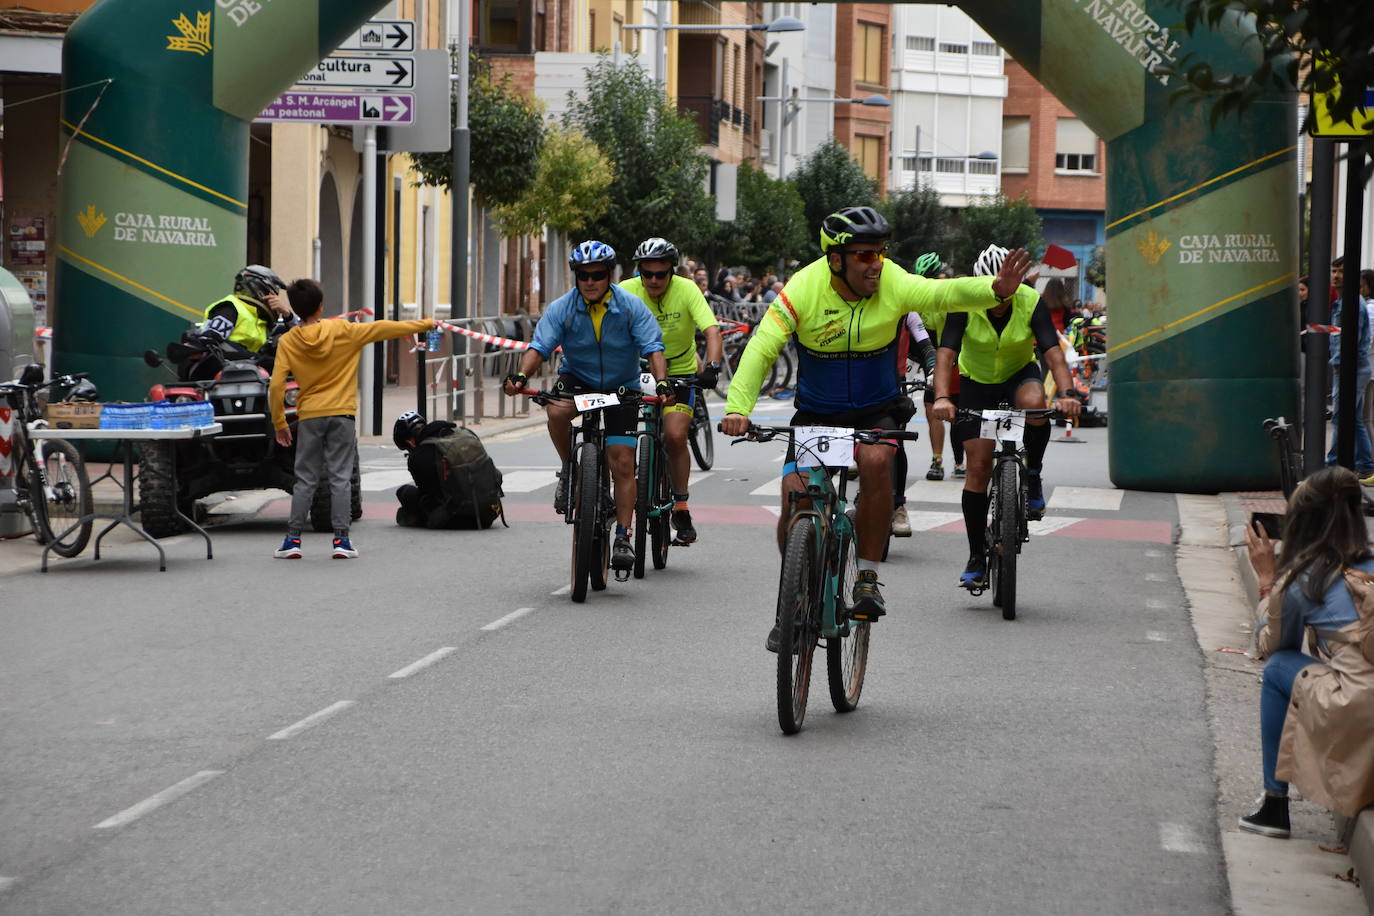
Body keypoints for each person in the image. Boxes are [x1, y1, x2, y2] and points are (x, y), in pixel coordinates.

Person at [721, 207, 1034, 650]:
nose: (876, 264)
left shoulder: (892, 281)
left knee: (874, 460)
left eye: (880, 253)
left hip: (876, 408)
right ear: (836, 260)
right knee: (794, 495)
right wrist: (738, 407)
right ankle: (794, 594)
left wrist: (994, 289)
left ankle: (867, 575)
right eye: (865, 256)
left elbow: (941, 294)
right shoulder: (803, 289)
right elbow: (761, 348)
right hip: (817, 410)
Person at [502, 240, 671, 572]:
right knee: (556, 410)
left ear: (609, 275)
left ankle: (623, 535)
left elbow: (653, 348)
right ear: (576, 276)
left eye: (597, 275)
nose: (590, 282)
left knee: (622, 462)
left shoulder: (631, 306)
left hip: (622, 384)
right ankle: (570, 468)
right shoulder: (562, 308)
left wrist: (661, 381)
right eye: (583, 275)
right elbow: (540, 346)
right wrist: (521, 375)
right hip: (578, 378)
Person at [931, 243, 1082, 590]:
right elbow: (945, 355)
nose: (999, 297)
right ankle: (974, 556)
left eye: (1006, 290)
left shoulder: (1030, 302)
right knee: (979, 468)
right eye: (993, 290)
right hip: (976, 383)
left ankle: (1033, 474)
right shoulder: (964, 302)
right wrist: (942, 397)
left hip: (1018, 375)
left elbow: (1053, 354)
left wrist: (1068, 394)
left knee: (1035, 401)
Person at [1240, 467, 1374, 836]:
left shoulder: (1306, 578)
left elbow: (1273, 647)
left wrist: (1269, 582)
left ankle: (1274, 804)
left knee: (1280, 668)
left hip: (1361, 706)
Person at [268, 278, 435, 559]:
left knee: (305, 478)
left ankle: (293, 540)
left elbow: (276, 385)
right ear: (321, 307)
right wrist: (423, 324)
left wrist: (279, 422)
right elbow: (381, 328)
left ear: (295, 308)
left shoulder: (288, 341)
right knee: (340, 477)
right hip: (342, 414)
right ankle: (341, 541)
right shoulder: (342, 330)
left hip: (310, 415)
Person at [619, 237, 724, 543]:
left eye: (660, 274)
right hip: (635, 370)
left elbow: (712, 331)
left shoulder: (687, 289)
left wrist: (712, 368)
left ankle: (680, 505)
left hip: (679, 370)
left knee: (676, 436)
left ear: (671, 272)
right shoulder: (626, 290)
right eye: (646, 273)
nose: (653, 280)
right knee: (617, 438)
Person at [392, 411, 504, 529]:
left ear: (410, 442)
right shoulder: (465, 433)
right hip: (488, 513)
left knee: (404, 492)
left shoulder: (418, 456)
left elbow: (428, 497)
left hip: (455, 518)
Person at [1325, 255, 1374, 481]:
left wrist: (1340, 366)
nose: (1336, 276)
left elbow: (1350, 342)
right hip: (1352, 367)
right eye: (1334, 271)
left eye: (1341, 271)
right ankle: (1366, 465)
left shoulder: (1352, 304)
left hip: (1350, 368)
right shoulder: (1344, 302)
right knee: (1353, 419)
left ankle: (1333, 465)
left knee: (1341, 418)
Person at [197, 264, 296, 354]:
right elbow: (211, 341)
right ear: (260, 290)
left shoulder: (258, 318)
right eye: (271, 293)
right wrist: (251, 356)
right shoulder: (230, 308)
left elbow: (299, 337)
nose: (274, 298)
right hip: (228, 370)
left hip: (250, 371)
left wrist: (287, 314)